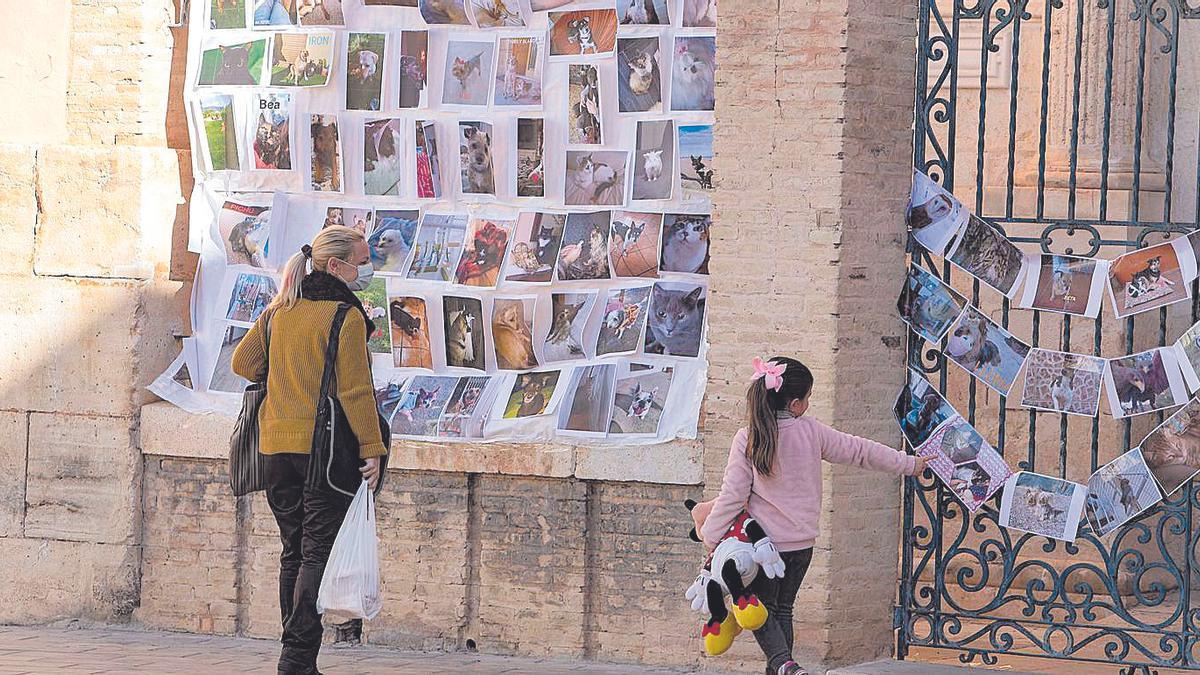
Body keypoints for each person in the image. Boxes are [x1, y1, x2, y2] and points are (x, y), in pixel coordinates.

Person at [700, 357, 928, 675]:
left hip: (763, 547)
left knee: (762, 611)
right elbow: (860, 451)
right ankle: (782, 668)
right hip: (801, 547)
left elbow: (732, 497)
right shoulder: (811, 432)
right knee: (783, 609)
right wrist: (909, 463)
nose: (808, 404)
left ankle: (784, 664)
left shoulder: (747, 438)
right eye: (807, 398)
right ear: (794, 404)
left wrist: (710, 537)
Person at [232, 225, 387, 674]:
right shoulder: (345, 316)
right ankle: (296, 660)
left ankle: (295, 654)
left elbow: (244, 363)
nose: (366, 268)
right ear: (336, 266)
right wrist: (373, 450)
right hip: (322, 451)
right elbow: (357, 392)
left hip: (275, 448)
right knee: (317, 551)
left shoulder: (282, 309)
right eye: (361, 260)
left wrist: (285, 372)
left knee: (294, 551)